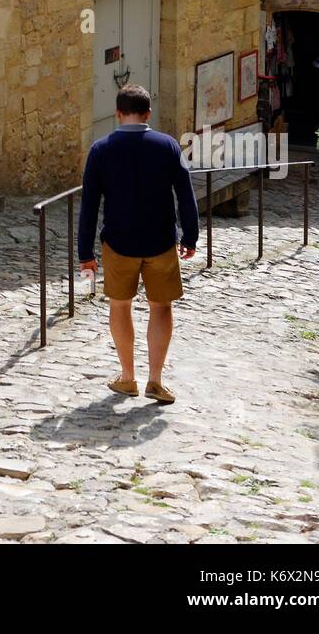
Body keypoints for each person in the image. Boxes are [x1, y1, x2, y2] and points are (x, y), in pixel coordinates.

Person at [78, 84, 198, 404]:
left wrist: (85, 253)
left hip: (118, 243)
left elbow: (89, 204)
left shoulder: (101, 150)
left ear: (118, 114)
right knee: (161, 308)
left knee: (120, 306)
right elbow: (185, 194)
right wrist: (191, 236)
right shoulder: (168, 146)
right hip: (160, 242)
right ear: (148, 113)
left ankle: (128, 376)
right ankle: (156, 380)